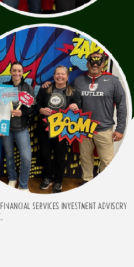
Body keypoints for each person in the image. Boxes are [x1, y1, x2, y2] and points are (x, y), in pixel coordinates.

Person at [72, 51, 127, 182]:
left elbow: (122, 105)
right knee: (85, 158)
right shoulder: (78, 81)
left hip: (104, 128)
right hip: (84, 128)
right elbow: (67, 95)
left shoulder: (113, 81)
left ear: (103, 63)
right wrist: (48, 87)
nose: (95, 64)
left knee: (107, 160)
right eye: (92, 61)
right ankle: (87, 181)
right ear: (87, 64)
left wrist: (120, 129)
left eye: (98, 61)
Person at [36, 65, 83, 193]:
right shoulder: (46, 89)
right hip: (45, 129)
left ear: (67, 77)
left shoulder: (73, 92)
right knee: (45, 155)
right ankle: (48, 178)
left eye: (63, 74)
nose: (60, 76)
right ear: (54, 75)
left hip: (62, 130)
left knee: (60, 156)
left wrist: (76, 108)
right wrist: (41, 109)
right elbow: (37, 103)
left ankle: (58, 181)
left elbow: (79, 110)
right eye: (57, 74)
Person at [0, 63, 34, 192]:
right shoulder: (5, 87)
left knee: (26, 158)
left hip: (21, 128)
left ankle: (23, 185)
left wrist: (22, 113)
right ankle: (12, 179)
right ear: (10, 72)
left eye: (19, 70)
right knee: (9, 155)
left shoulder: (28, 88)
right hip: (6, 129)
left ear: (22, 72)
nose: (17, 73)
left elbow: (33, 109)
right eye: (14, 70)